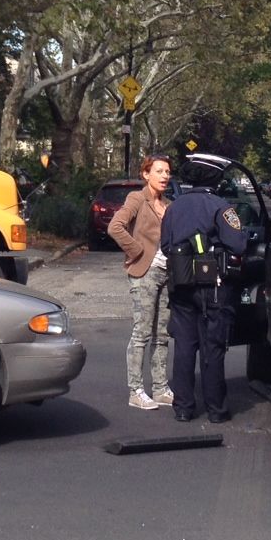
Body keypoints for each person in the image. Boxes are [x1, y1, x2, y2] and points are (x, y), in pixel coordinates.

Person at [158, 158, 248, 424]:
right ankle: (216, 410)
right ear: (215, 181)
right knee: (212, 347)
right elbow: (238, 246)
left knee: (185, 346)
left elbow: (165, 245)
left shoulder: (174, 208)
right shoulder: (221, 207)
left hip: (181, 284)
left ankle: (184, 407)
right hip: (214, 288)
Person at [106, 154, 174, 410]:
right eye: (159, 171)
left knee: (162, 334)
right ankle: (136, 390)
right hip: (144, 273)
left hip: (166, 274)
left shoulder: (169, 204)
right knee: (141, 333)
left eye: (167, 171)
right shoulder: (137, 199)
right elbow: (116, 227)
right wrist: (137, 252)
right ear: (146, 174)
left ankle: (160, 389)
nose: (165, 176)